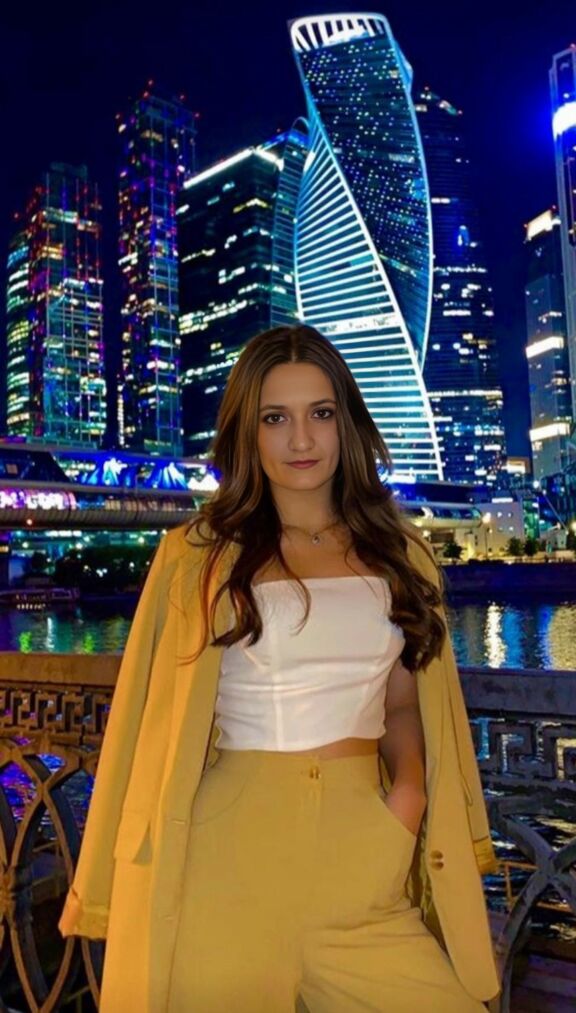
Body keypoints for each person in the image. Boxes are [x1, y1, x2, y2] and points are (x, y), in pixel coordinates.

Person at [58, 324, 501, 1011]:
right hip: (225, 862)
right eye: (275, 418)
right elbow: (145, 721)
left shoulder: (401, 553)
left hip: (363, 863)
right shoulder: (196, 556)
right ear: (248, 432)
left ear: (347, 422)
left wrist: (407, 798)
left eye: (320, 413)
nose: (301, 439)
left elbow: (403, 701)